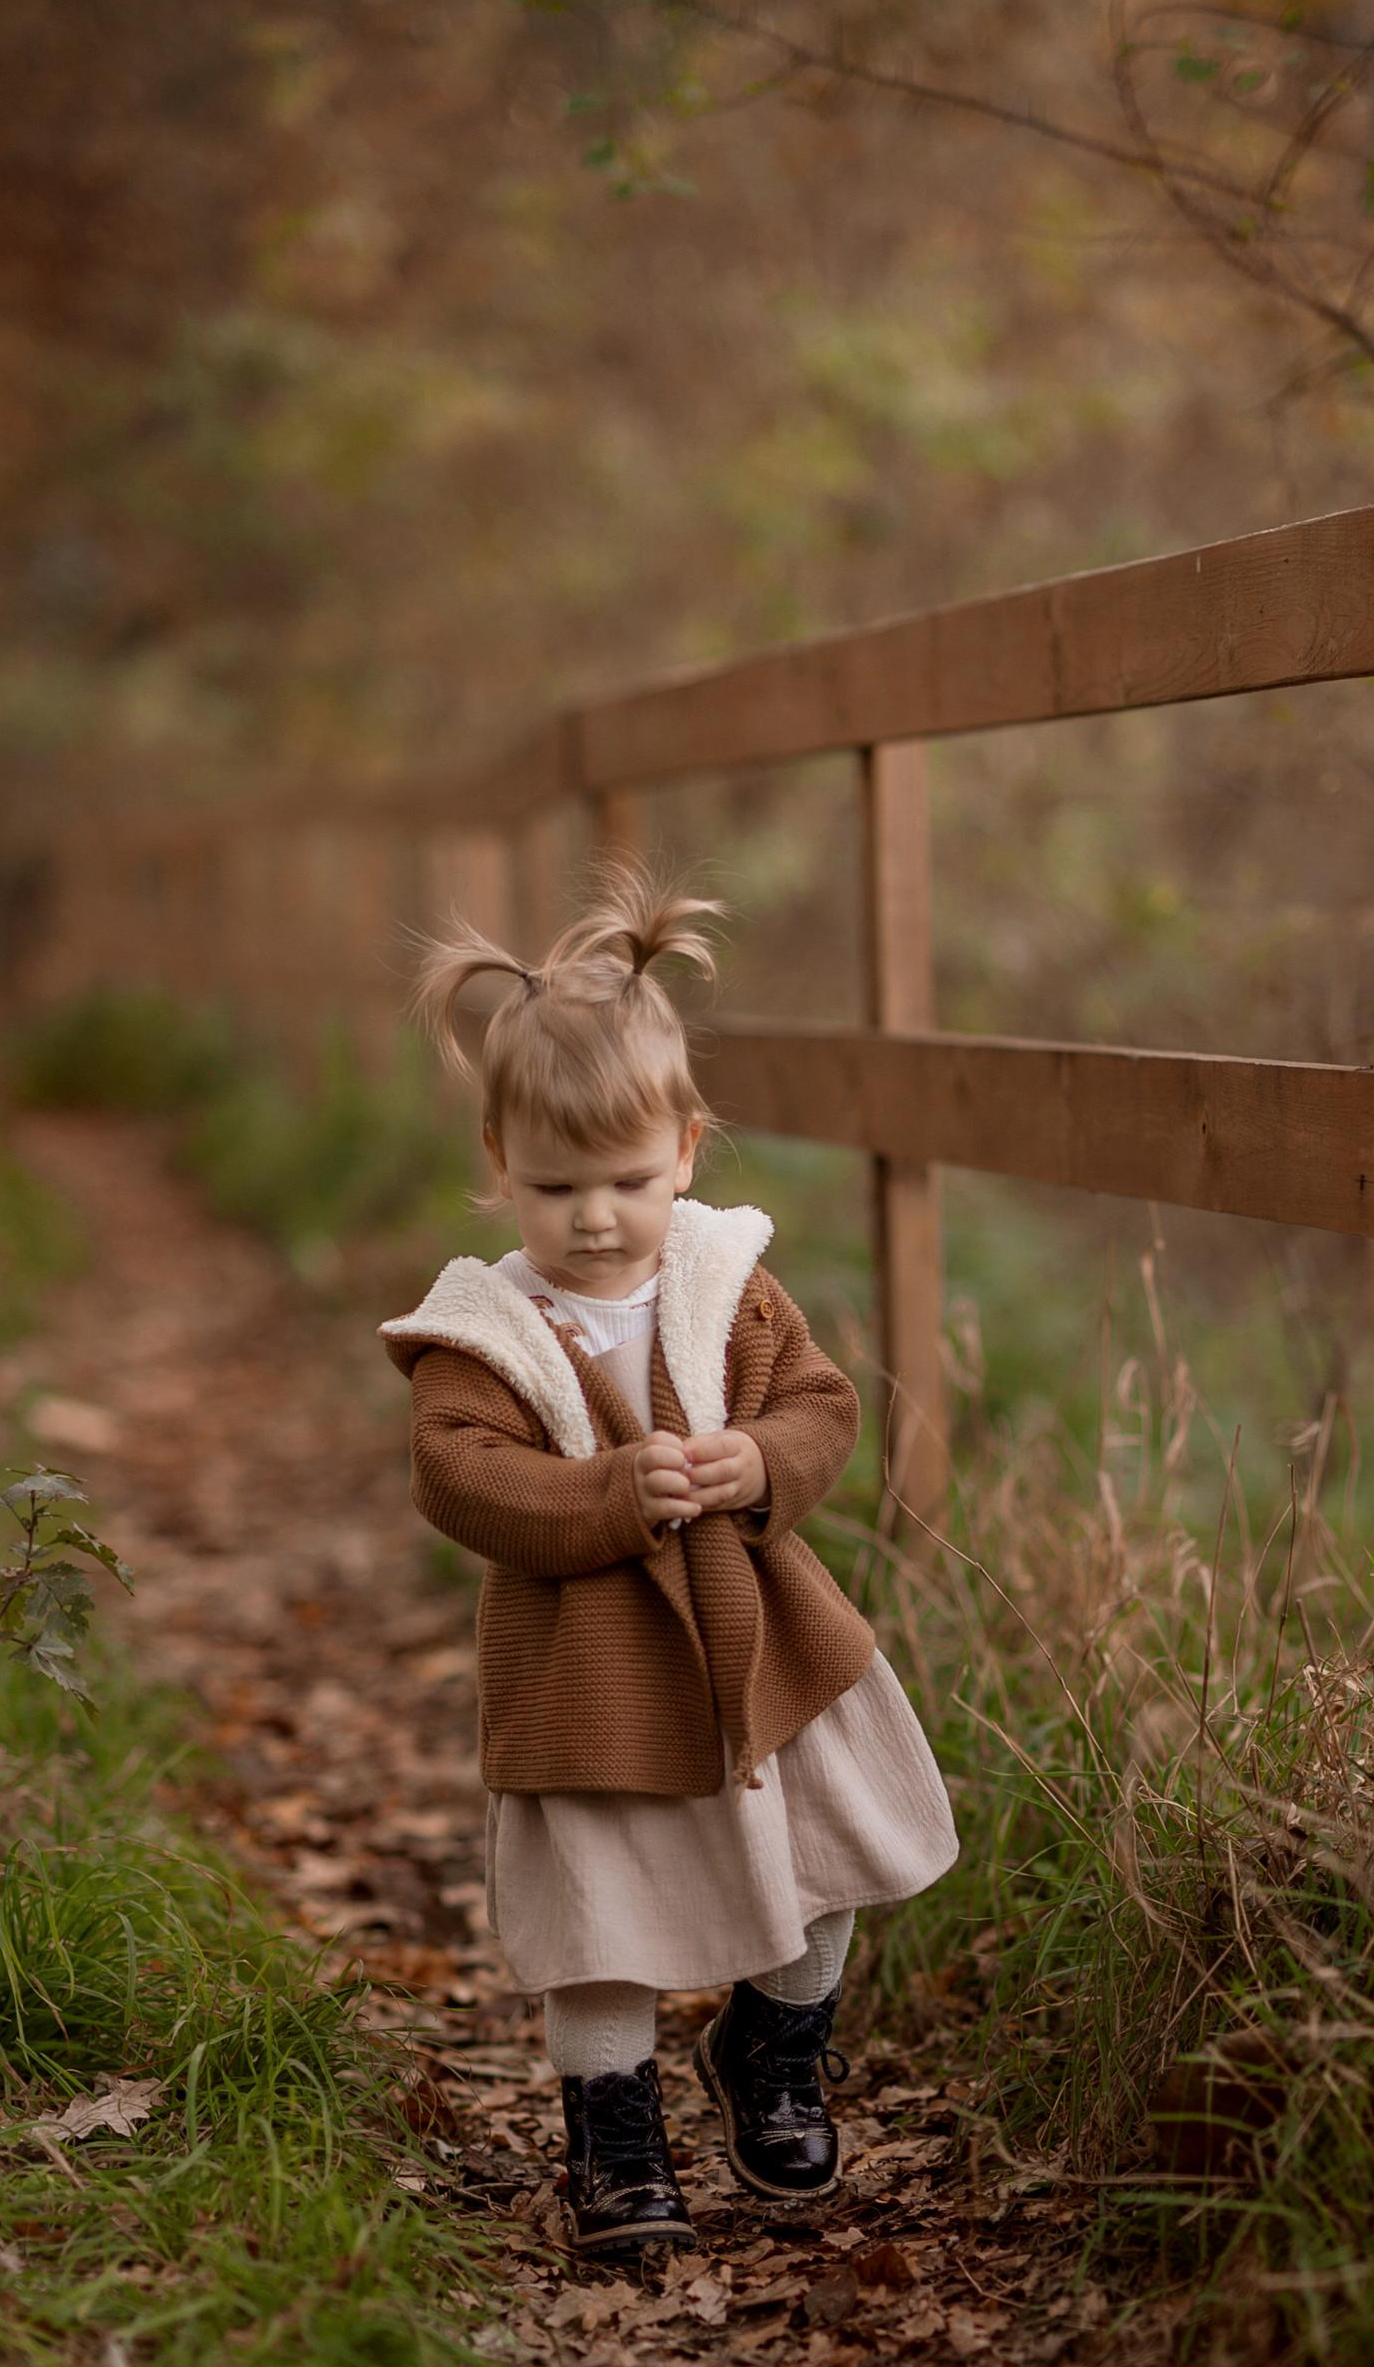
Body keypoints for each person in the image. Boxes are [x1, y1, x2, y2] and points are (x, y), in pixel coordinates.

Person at [380, 866, 957, 2262]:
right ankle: (616, 2133)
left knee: (829, 1872)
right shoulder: (490, 1331)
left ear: (687, 1151)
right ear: (498, 1157)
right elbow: (461, 1473)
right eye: (557, 1184)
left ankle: (772, 2050)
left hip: (759, 1644)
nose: (594, 1218)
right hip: (588, 1681)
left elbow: (822, 1405)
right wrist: (602, 1493)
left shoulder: (724, 1285)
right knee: (604, 1927)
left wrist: (758, 1464)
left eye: (629, 1181)